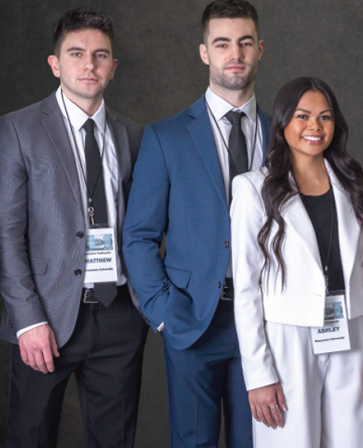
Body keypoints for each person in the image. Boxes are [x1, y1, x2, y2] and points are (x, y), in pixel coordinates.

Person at [122, 0, 269, 446]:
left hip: (267, 323)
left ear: (260, 49)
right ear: (204, 52)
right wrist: (165, 313)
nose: (235, 54)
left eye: (245, 43)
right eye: (222, 43)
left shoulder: (284, 135)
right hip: (192, 320)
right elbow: (139, 236)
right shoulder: (166, 136)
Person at [0, 8, 147, 448]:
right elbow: (6, 234)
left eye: (100, 55)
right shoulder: (18, 130)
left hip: (120, 315)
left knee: (114, 440)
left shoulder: (134, 136)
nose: (89, 65)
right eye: (77, 53)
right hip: (46, 317)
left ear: (113, 67)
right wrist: (27, 322)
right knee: (30, 437)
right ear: (55, 63)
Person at [231, 77, 363, 448]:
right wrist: (258, 374)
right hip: (287, 339)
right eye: (303, 116)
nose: (314, 127)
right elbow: (245, 289)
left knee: (353, 442)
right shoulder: (252, 188)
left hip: (351, 332)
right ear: (283, 122)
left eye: (325, 117)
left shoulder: (355, 180)